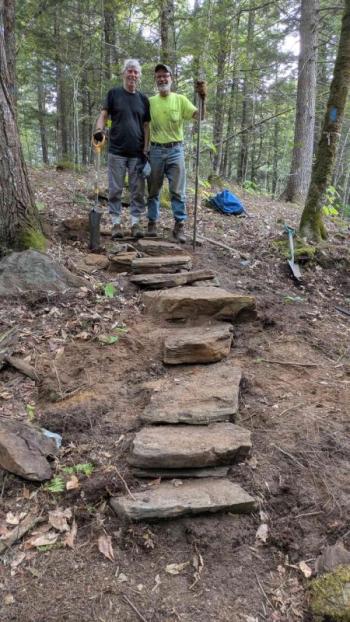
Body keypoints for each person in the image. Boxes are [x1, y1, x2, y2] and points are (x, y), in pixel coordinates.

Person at [147, 64, 205, 243]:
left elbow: (200, 116)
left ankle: (179, 226)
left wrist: (203, 96)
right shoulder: (150, 102)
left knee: (178, 191)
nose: (162, 79)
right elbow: (144, 126)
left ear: (171, 78)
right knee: (153, 190)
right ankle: (152, 223)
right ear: (156, 80)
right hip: (155, 150)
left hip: (175, 151)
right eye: (159, 76)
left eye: (165, 75)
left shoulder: (180, 99)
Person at [93, 59, 150, 239]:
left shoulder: (143, 99)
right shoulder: (114, 94)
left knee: (137, 191)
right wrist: (98, 131)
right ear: (124, 74)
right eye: (129, 71)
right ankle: (116, 223)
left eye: (135, 72)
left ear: (139, 76)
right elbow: (103, 116)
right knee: (115, 189)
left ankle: (135, 224)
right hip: (116, 151)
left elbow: (147, 126)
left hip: (137, 153)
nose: (132, 74)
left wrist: (147, 148)